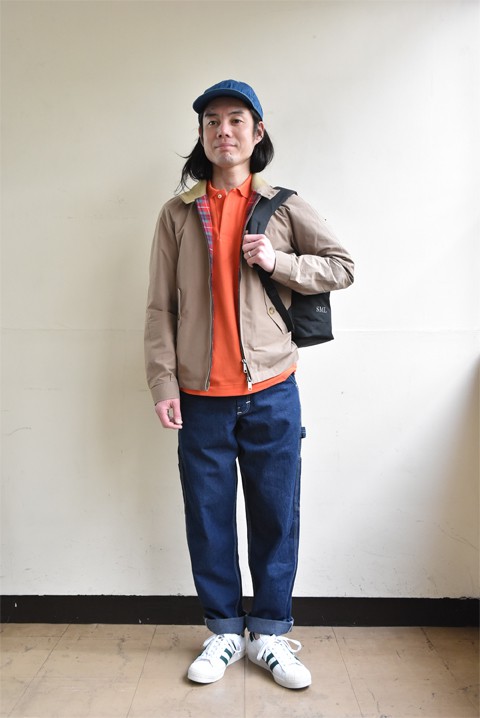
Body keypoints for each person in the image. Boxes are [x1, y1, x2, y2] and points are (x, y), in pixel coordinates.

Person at [145, 79, 354, 690]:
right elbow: (159, 308)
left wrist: (277, 262)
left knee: (275, 517)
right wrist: (163, 382)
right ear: (202, 134)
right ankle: (223, 632)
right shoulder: (178, 213)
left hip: (272, 391)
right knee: (208, 518)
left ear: (257, 132)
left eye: (236, 119)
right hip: (199, 399)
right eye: (212, 121)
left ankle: (268, 632)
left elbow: (342, 267)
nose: (223, 131)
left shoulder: (283, 206)